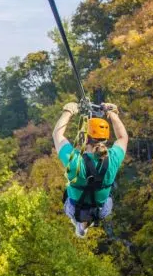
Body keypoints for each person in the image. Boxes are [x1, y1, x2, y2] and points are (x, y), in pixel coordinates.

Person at [52, 102, 128, 238]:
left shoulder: (74, 159)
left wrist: (68, 111)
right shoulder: (113, 158)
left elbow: (57, 135)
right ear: (105, 137)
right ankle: (87, 222)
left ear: (85, 137)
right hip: (100, 210)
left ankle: (80, 222)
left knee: (68, 196)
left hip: (76, 208)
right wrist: (112, 113)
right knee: (103, 198)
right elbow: (123, 137)